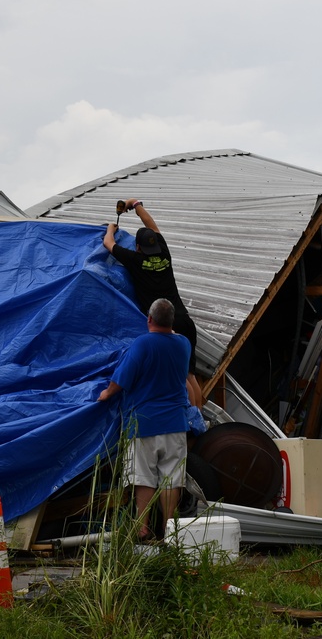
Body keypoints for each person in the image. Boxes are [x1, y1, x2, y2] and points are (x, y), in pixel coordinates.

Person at [97, 298, 191, 541]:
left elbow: (123, 377)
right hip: (175, 424)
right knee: (171, 479)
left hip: (144, 422)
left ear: (149, 319)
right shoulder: (184, 345)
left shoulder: (142, 344)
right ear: (172, 322)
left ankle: (142, 529)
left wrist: (106, 393)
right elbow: (174, 335)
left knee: (143, 477)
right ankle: (169, 531)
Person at [103, 197, 202, 407]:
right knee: (191, 376)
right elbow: (152, 225)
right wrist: (136, 204)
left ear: (137, 247)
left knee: (181, 378)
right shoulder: (165, 252)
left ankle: (192, 422)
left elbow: (108, 244)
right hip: (184, 320)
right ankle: (200, 422)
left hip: (167, 326)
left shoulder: (136, 260)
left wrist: (111, 229)